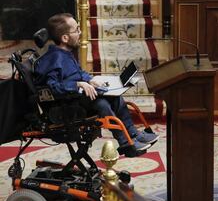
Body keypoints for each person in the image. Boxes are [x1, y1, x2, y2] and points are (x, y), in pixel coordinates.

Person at [34, 13, 158, 156]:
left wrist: (89, 79)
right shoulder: (54, 59)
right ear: (65, 38)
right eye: (77, 30)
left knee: (115, 96)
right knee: (102, 104)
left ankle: (133, 134)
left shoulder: (65, 52)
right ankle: (126, 143)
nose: (80, 32)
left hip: (78, 99)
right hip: (65, 106)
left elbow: (78, 73)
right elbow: (52, 88)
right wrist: (78, 85)